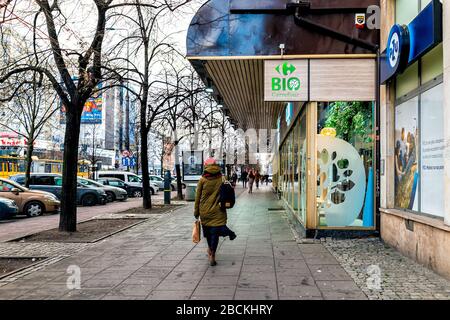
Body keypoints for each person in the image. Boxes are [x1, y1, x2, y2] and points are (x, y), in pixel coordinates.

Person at [194, 157, 237, 266]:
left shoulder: (202, 179)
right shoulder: (222, 178)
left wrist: (196, 212)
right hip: (219, 210)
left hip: (205, 212)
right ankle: (212, 252)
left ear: (205, 166)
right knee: (215, 234)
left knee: (208, 233)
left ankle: (210, 249)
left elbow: (197, 198)